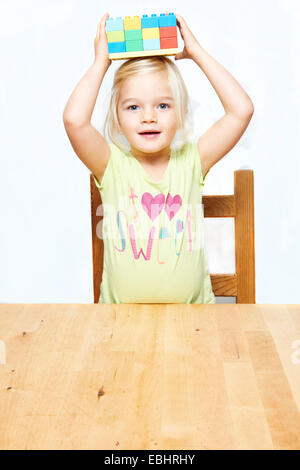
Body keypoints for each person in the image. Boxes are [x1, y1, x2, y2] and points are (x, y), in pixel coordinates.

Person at [63, 12, 254, 304]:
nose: (149, 117)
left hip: (193, 321)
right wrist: (101, 63)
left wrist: (197, 54)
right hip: (119, 324)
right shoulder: (111, 165)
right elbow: (75, 121)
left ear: (181, 113)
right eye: (133, 107)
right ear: (117, 116)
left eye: (163, 105)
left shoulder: (192, 161)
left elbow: (241, 110)